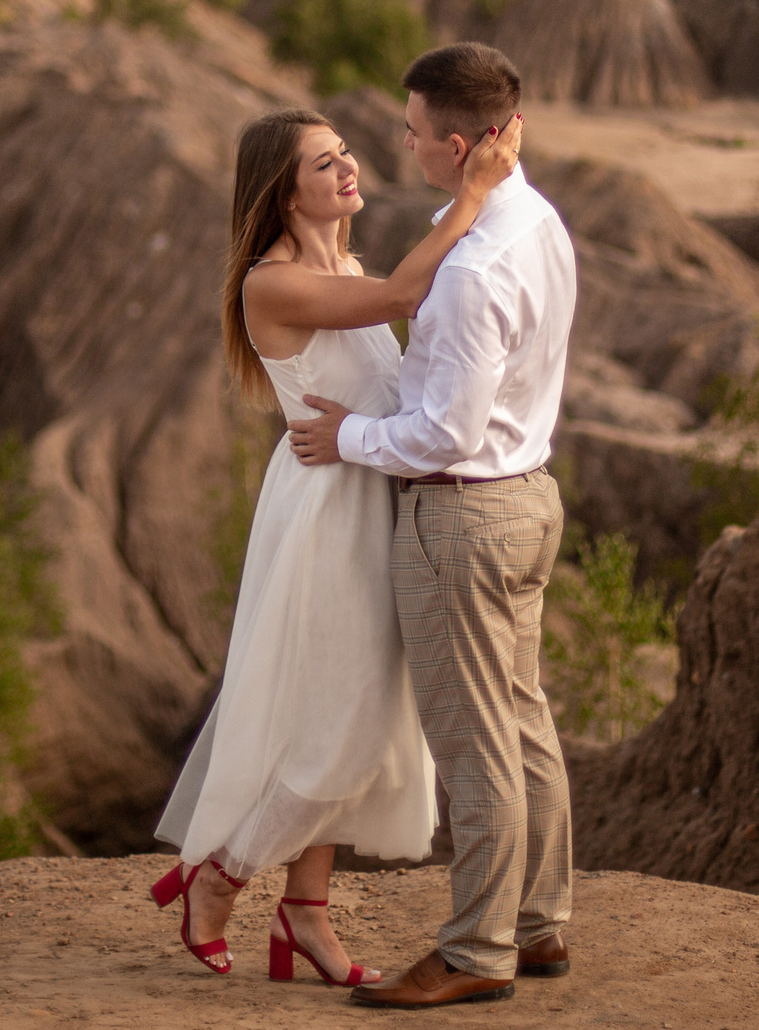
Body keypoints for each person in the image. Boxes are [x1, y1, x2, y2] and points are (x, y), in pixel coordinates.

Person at [151, 101, 525, 985]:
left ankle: (305, 915)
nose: (349, 168)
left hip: (371, 491)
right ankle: (222, 873)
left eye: (347, 153)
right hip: (327, 511)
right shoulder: (269, 283)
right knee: (342, 719)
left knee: (362, 714)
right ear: (284, 194)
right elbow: (405, 295)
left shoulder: (344, 262)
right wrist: (473, 194)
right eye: (324, 164)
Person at [286, 42, 577, 1009]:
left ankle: (476, 950)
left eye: (411, 132)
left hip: (463, 518)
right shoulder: (535, 221)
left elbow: (441, 431)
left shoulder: (470, 271)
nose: (399, 144)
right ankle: (536, 928)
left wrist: (351, 434)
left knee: (477, 742)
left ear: (456, 145)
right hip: (530, 495)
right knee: (525, 722)